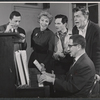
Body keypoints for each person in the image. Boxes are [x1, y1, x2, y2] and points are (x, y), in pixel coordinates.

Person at [72, 6, 100, 76]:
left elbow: (97, 53)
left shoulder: (96, 29)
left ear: (86, 17)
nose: (75, 19)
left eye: (78, 16)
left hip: (91, 67)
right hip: (79, 67)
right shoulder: (75, 29)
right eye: (74, 16)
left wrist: (97, 72)